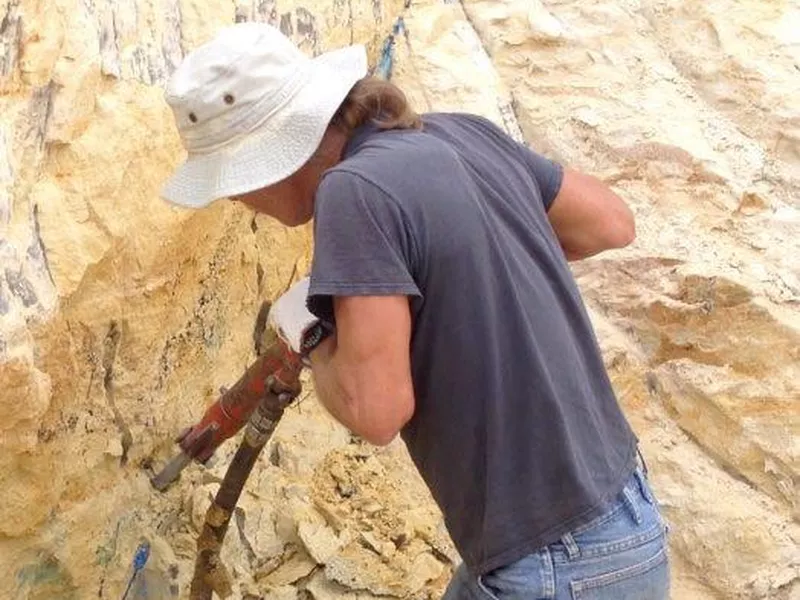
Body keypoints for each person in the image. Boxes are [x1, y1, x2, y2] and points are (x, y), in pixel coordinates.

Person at [160, 21, 671, 600]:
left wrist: (311, 333)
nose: (234, 197)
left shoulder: (352, 191)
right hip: (625, 521)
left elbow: (377, 412)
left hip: (552, 566)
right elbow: (608, 222)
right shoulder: (460, 134)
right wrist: (462, 270)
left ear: (270, 155)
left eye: (231, 178)